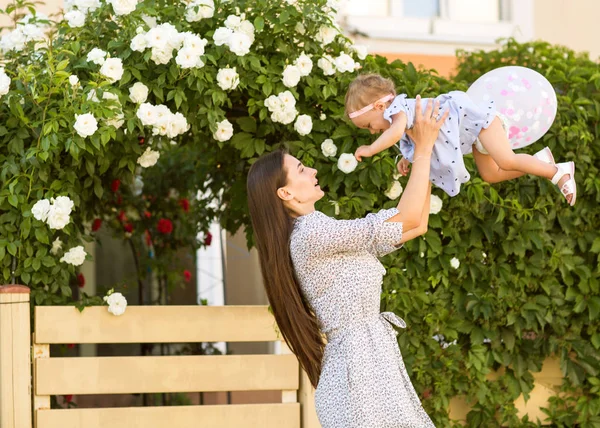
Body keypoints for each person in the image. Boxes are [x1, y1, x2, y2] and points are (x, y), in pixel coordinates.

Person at [247, 97, 447, 428]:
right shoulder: (311, 235)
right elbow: (407, 217)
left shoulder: (320, 229)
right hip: (357, 376)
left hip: (370, 363)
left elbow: (416, 223)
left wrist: (419, 157)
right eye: (300, 169)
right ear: (286, 194)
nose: (311, 171)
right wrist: (423, 149)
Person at [346, 73, 576, 206]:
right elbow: (419, 142)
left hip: (481, 122)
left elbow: (394, 133)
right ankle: (540, 162)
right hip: (474, 135)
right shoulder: (401, 119)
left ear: (379, 107)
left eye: (368, 125)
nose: (372, 132)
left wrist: (371, 148)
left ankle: (559, 172)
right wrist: (407, 159)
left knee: (507, 161)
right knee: (491, 175)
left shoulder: (398, 110)